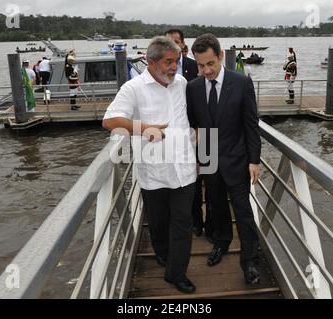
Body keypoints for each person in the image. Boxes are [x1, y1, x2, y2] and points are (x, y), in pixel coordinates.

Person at [102, 36, 197, 294]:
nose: (173, 67)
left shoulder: (182, 83)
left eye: (176, 62)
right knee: (158, 222)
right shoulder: (133, 88)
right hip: (153, 172)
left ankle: (176, 273)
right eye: (168, 62)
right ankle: (162, 252)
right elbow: (109, 121)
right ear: (152, 61)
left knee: (182, 222)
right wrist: (144, 129)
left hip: (185, 169)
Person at [187, 33, 261, 285]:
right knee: (216, 207)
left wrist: (255, 160)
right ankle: (221, 243)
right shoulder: (193, 88)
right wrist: (197, 156)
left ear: (220, 56)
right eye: (200, 65)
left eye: (210, 64)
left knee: (243, 212)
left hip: (237, 159)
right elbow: (195, 125)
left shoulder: (241, 82)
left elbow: (251, 126)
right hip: (207, 155)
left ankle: (250, 262)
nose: (206, 70)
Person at [164, 29, 211, 239]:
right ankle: (195, 221)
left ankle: (213, 224)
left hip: (205, 132)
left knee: (209, 180)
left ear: (183, 45)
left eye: (175, 41)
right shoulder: (160, 69)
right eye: (168, 42)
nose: (172, 45)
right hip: (180, 136)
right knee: (188, 180)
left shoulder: (197, 66)